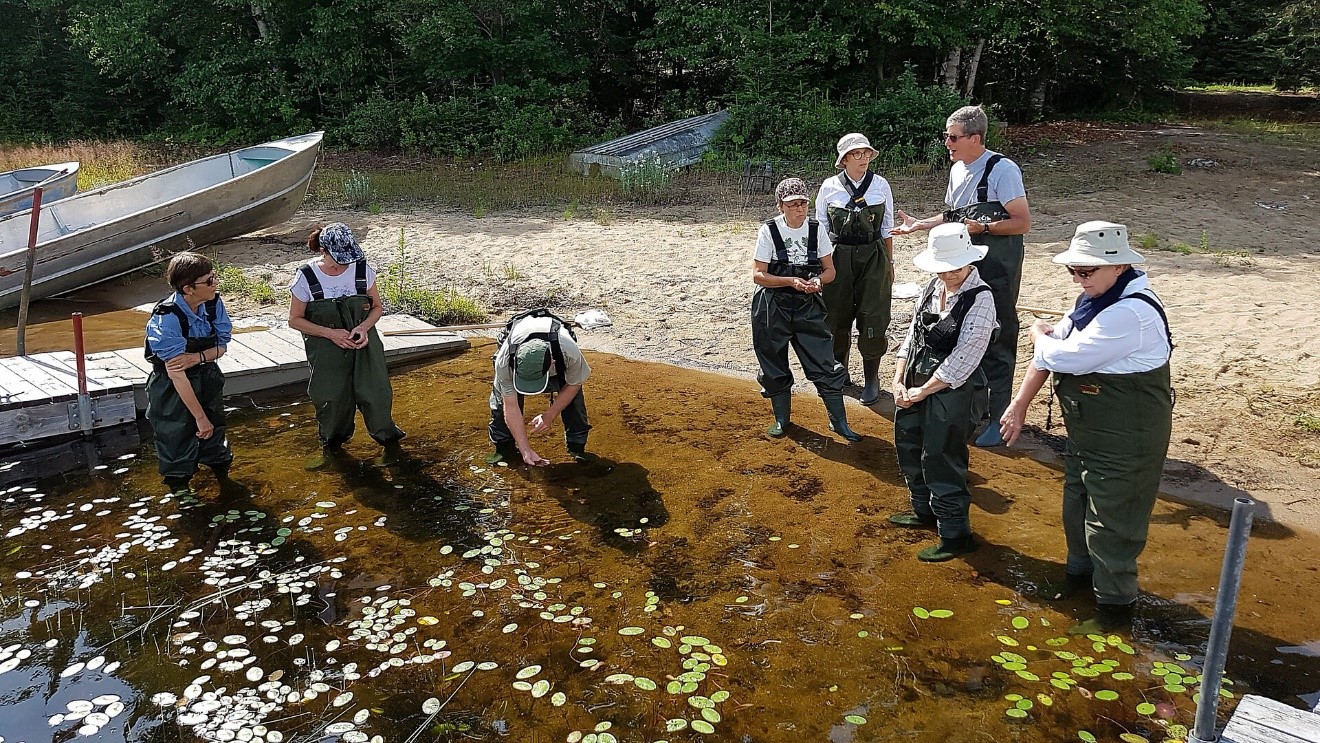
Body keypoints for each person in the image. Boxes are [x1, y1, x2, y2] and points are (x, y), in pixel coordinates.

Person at [999, 221, 1173, 632]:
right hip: (1086, 436)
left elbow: (1062, 356)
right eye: (1074, 271)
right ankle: (1077, 586)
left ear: (1119, 267)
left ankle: (1114, 616)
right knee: (1075, 511)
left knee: (1111, 527)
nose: (1079, 278)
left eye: (1087, 271)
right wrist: (1019, 405)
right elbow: (1049, 355)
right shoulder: (1093, 300)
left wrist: (1040, 332)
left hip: (1126, 441)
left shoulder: (1130, 312)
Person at [892, 105, 1032, 447]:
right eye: (945, 136)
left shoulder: (1003, 170)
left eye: (952, 137)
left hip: (998, 268)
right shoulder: (957, 170)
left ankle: (998, 420)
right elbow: (953, 214)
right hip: (963, 264)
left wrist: (984, 227)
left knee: (997, 338)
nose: (947, 143)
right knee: (962, 334)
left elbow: (1023, 222)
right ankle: (971, 407)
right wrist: (921, 225)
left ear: (975, 138)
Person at [888, 223, 997, 561]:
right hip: (914, 378)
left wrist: (922, 391)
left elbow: (964, 359)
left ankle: (954, 534)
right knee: (908, 441)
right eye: (943, 268)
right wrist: (897, 379)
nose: (949, 274)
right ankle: (923, 512)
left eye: (956, 268)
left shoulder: (982, 299)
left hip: (953, 388)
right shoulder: (932, 286)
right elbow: (911, 335)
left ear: (970, 262)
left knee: (941, 456)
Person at [752, 177, 860, 442]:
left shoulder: (816, 229)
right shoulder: (769, 230)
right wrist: (790, 281)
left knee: (824, 362)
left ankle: (839, 422)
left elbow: (830, 271)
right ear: (780, 206)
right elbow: (758, 275)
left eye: (803, 203)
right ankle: (782, 419)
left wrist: (816, 282)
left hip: (807, 306)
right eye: (792, 204)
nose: (799, 209)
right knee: (773, 363)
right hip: (772, 305)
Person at [288, 223, 405, 465]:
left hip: (365, 344)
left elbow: (377, 308)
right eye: (338, 259)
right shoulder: (306, 277)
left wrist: (363, 328)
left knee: (376, 394)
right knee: (331, 398)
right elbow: (294, 320)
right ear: (323, 250)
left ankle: (390, 447)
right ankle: (331, 450)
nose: (344, 264)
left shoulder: (362, 270)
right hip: (327, 348)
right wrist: (330, 334)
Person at [815, 133, 896, 406]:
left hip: (873, 255)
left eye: (866, 154)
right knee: (836, 315)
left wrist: (890, 264)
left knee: (873, 314)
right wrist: (822, 266)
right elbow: (821, 230)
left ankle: (872, 379)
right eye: (857, 154)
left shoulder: (881, 185)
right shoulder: (828, 187)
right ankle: (840, 372)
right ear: (845, 159)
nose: (863, 159)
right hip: (838, 256)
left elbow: (887, 229)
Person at [144, 251, 234, 495]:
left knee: (217, 446)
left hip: (208, 378)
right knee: (176, 447)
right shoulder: (167, 318)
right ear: (189, 289)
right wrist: (199, 417)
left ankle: (226, 489)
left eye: (214, 277)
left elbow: (222, 346)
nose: (215, 284)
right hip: (173, 389)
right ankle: (182, 500)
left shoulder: (214, 303)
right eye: (208, 281)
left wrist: (197, 357)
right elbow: (177, 374)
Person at [487, 309, 593, 466]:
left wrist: (550, 414)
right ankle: (504, 447)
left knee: (574, 402)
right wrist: (525, 450)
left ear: (552, 364)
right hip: (514, 347)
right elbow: (511, 406)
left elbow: (573, 384)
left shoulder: (569, 351)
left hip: (558, 352)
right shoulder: (504, 361)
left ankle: (576, 446)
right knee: (500, 404)